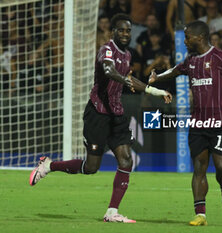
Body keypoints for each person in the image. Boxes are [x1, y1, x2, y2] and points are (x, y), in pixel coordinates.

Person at [29, 14, 172, 223]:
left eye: (128, 30)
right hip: (97, 113)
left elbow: (129, 79)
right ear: (113, 31)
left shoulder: (128, 55)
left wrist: (155, 91)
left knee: (126, 159)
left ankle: (112, 212)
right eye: (121, 30)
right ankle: (49, 165)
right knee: (91, 168)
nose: (125, 34)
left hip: (117, 114)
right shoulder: (106, 49)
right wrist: (125, 80)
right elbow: (108, 70)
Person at [148, 20, 222, 226]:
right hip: (198, 123)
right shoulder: (191, 60)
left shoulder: (220, 57)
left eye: (188, 37)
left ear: (200, 37)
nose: (185, 41)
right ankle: (200, 214)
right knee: (199, 167)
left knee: (221, 166)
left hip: (219, 121)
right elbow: (176, 71)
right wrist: (156, 78)